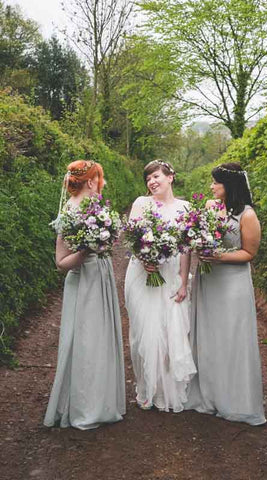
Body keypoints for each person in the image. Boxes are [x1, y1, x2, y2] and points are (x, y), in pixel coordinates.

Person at [44, 160, 126, 430]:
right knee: (86, 342)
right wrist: (88, 249)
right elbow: (60, 262)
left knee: (101, 339)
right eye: (100, 179)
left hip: (100, 279)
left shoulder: (96, 208)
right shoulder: (69, 212)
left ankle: (103, 402)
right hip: (83, 284)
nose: (102, 184)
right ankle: (85, 407)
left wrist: (104, 241)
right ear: (91, 182)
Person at [185, 162, 266, 426]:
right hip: (208, 280)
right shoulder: (210, 207)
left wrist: (220, 256)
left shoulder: (247, 215)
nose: (211, 187)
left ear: (228, 185)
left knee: (231, 338)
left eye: (215, 183)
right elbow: (196, 236)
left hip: (232, 284)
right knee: (209, 336)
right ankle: (209, 394)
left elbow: (249, 253)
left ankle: (235, 399)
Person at [125, 159, 196, 412]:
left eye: (156, 176)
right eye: (148, 178)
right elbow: (133, 240)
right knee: (144, 333)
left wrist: (184, 282)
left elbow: (186, 248)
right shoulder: (141, 203)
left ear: (170, 177)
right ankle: (146, 389)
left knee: (170, 331)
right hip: (143, 274)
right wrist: (145, 260)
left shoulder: (185, 207)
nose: (152, 182)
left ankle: (167, 391)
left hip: (171, 274)